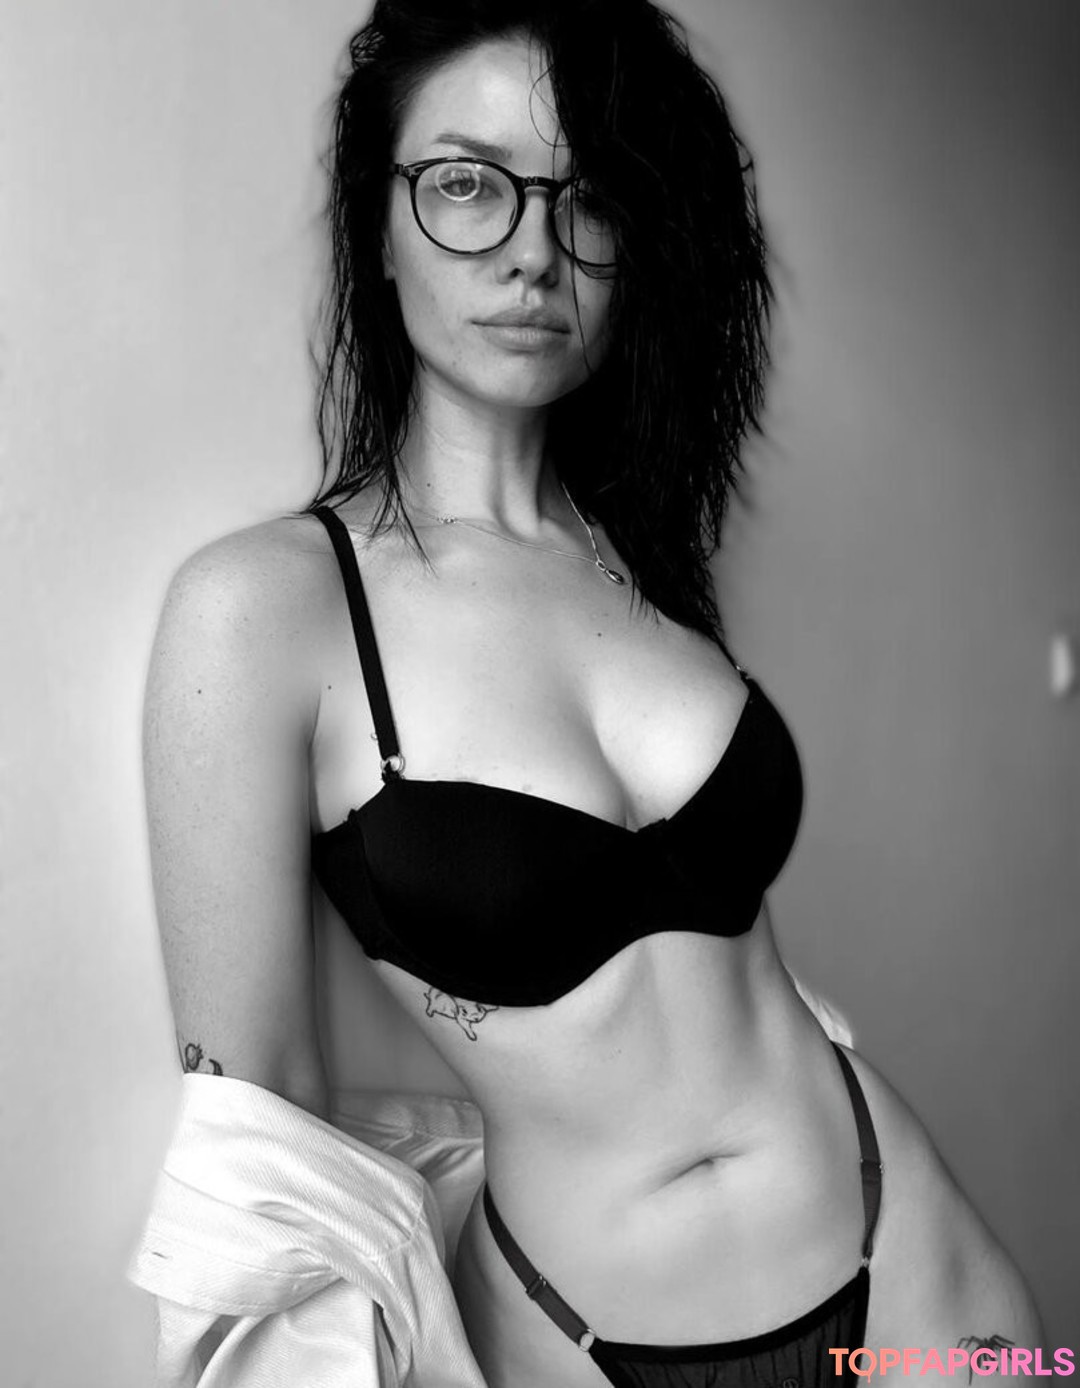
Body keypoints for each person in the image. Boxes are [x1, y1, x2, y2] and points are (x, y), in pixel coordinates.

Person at [141, 0, 1044, 1383]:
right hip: (593, 1342)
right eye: (466, 184)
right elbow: (261, 1143)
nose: (533, 251)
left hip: (912, 1256)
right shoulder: (266, 610)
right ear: (377, 226)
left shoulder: (644, 558)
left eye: (589, 198)